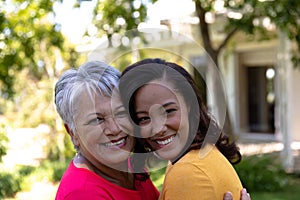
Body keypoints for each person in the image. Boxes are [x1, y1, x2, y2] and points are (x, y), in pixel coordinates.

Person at [119, 58, 248, 200]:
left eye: (168, 111)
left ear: (190, 105)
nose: (158, 129)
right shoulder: (203, 152)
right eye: (144, 118)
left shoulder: (187, 172)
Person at [54, 61, 160, 200]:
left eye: (121, 113)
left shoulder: (130, 167)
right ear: (73, 133)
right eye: (97, 120)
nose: (115, 128)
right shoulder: (82, 193)